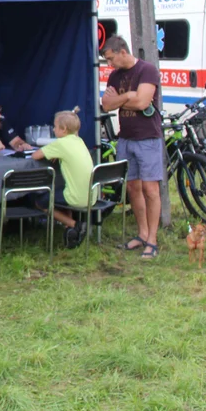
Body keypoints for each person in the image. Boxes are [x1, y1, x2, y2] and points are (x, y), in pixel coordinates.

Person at [101, 35, 163, 259]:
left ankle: (153, 240)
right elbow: (106, 105)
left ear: (122, 52)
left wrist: (122, 98)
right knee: (133, 189)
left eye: (111, 59)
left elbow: (143, 102)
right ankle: (142, 234)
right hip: (125, 138)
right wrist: (128, 94)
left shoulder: (147, 71)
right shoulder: (115, 76)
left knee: (150, 190)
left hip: (147, 138)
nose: (110, 64)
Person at [30, 108, 92, 248]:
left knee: (40, 201)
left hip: (76, 197)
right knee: (60, 190)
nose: (53, 129)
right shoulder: (79, 140)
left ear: (63, 129)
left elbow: (35, 156)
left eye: (55, 127)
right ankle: (69, 230)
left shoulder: (60, 143)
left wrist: (53, 152)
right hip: (90, 195)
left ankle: (74, 225)